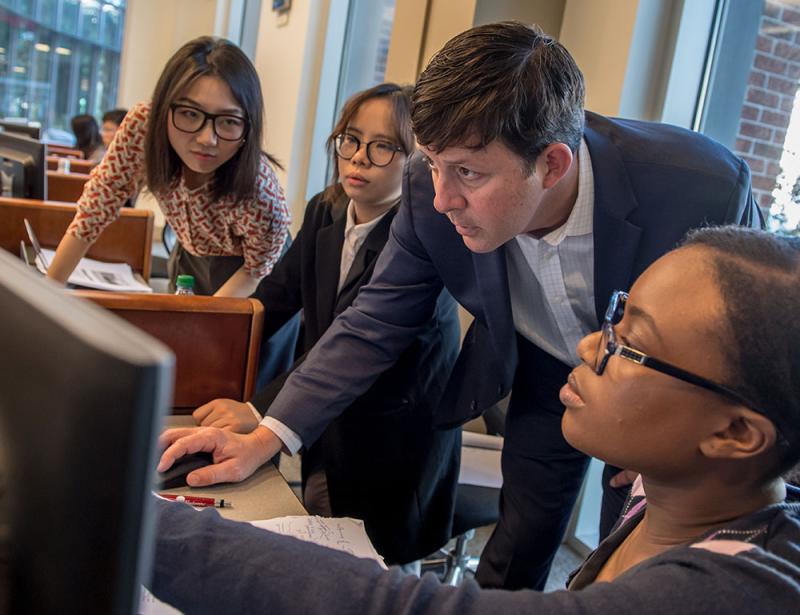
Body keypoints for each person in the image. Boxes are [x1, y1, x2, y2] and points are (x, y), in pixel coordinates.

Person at [157, 22, 763, 589]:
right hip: (545, 372)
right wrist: (268, 436)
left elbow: (756, 342)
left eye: (468, 173)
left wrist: (688, 432)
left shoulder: (698, 185)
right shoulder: (431, 185)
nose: (442, 197)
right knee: (520, 534)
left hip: (665, 391)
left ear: (552, 164)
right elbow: (374, 320)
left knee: (633, 550)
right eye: (433, 163)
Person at [150, 226, 800, 614]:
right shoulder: (672, 484)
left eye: (631, 345)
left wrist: (133, 512)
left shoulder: (732, 591)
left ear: (736, 434)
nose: (586, 346)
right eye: (614, 317)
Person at [191, 83, 461, 565]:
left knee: (382, 568)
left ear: (417, 162)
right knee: (322, 544)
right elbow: (277, 296)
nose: (359, 158)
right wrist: (203, 350)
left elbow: (350, 345)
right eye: (350, 140)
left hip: (393, 435)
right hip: (324, 422)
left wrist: (257, 410)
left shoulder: (419, 239)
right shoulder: (327, 208)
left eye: (383, 147)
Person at [48, 37, 290, 297]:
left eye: (228, 121)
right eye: (190, 114)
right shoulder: (143, 127)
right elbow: (95, 208)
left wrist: (200, 324)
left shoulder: (261, 191)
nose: (207, 138)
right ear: (164, 107)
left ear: (248, 127)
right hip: (189, 253)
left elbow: (254, 271)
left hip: (253, 273)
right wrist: (47, 293)